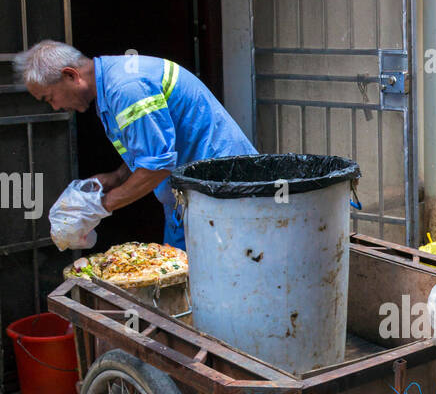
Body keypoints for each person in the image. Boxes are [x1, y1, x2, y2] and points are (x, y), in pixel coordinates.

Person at [14, 41, 256, 249]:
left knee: (221, 284)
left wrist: (100, 206)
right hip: (188, 201)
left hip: (222, 194)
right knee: (182, 282)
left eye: (50, 98)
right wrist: (116, 177)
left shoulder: (125, 88)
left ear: (70, 75)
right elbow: (149, 148)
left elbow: (157, 166)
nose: (55, 107)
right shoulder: (111, 86)